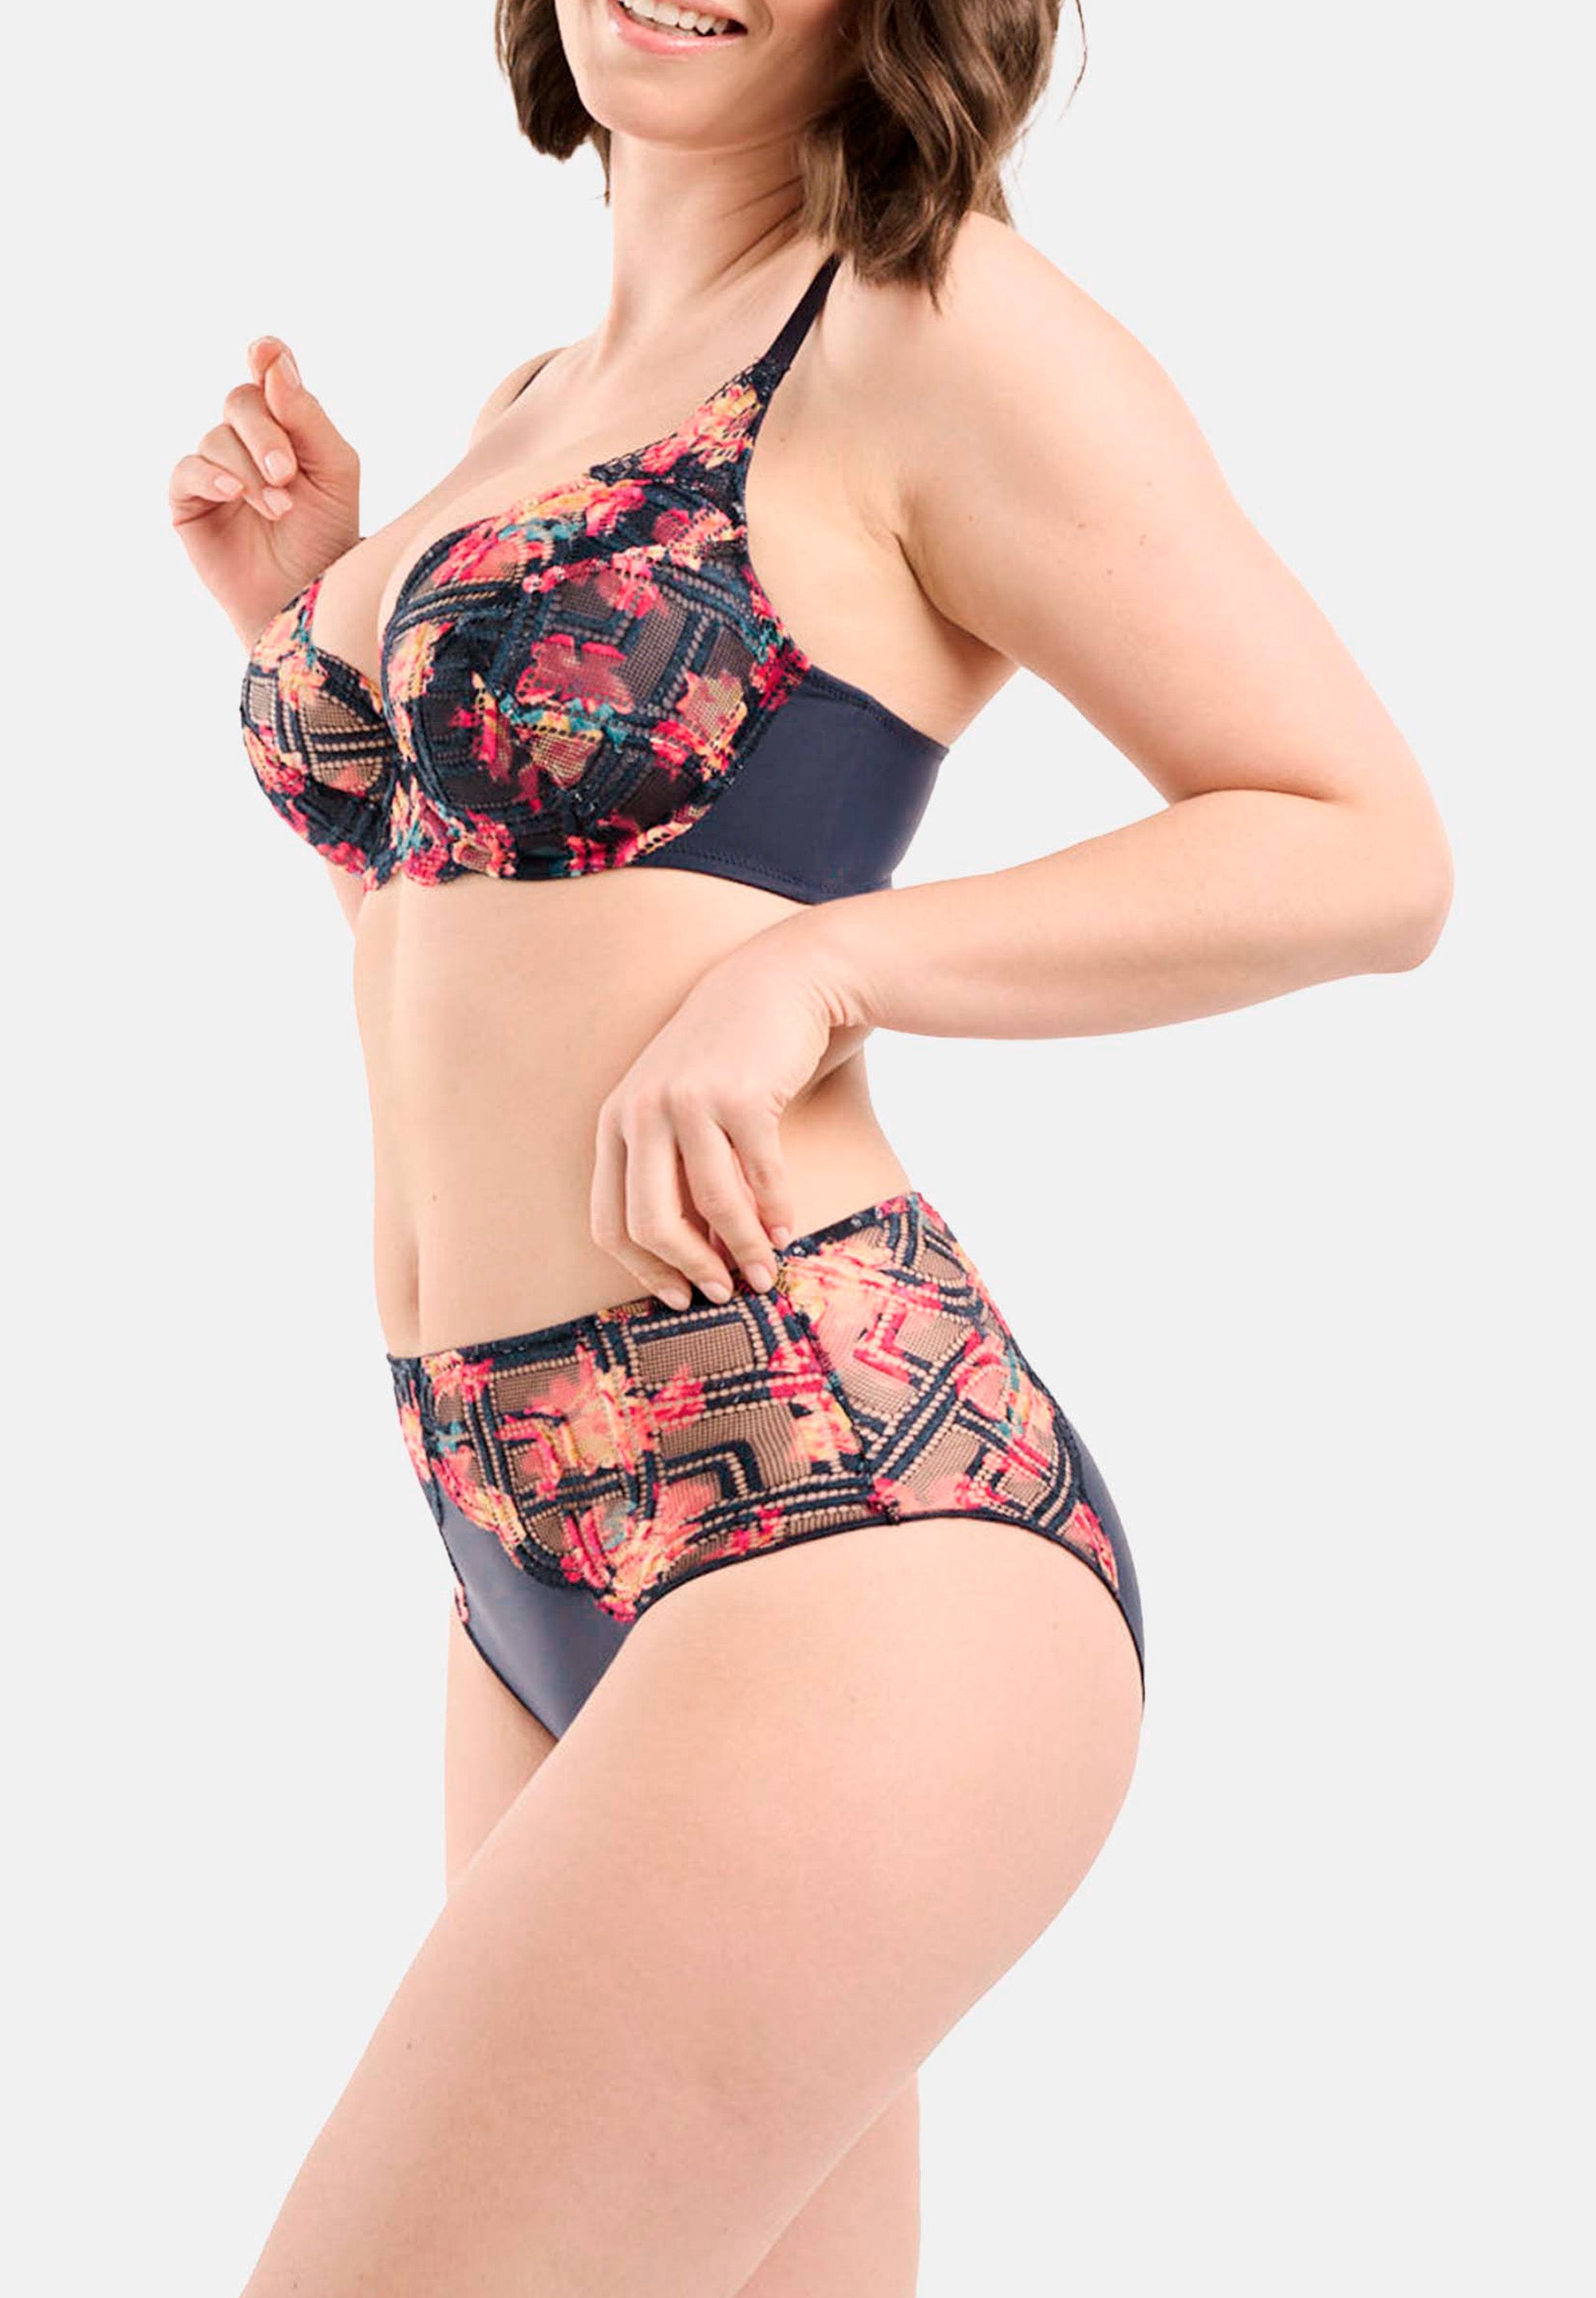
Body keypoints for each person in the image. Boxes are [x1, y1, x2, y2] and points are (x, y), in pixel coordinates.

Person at [168, 2, 1452, 2291]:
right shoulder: (530, 404)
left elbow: (1364, 845)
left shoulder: (926, 322)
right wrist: (304, 619)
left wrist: (830, 970)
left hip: (833, 1502)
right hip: (511, 1513)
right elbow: (465, 944)